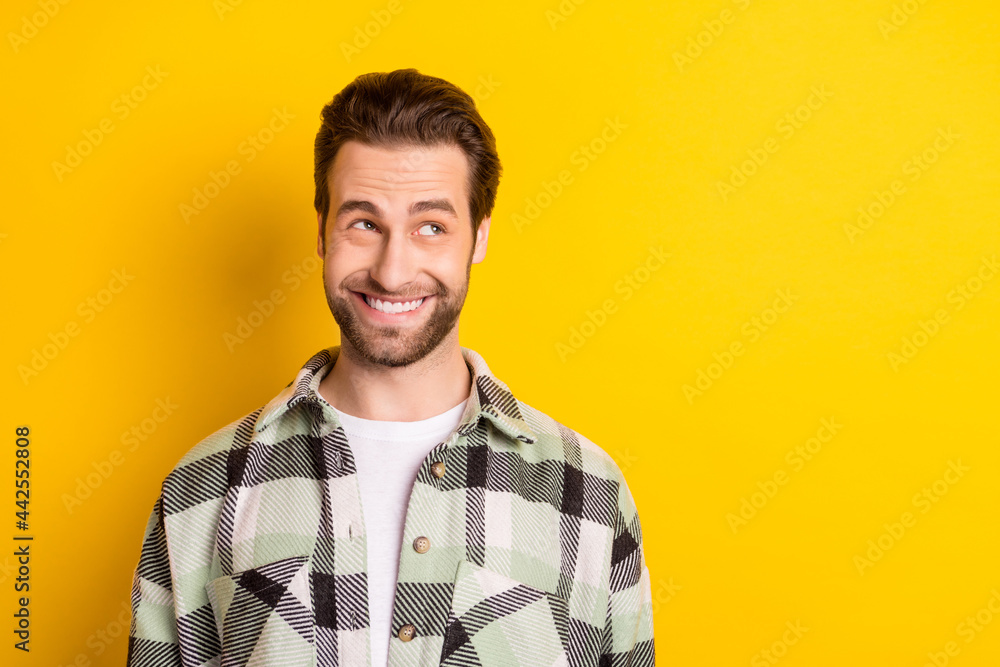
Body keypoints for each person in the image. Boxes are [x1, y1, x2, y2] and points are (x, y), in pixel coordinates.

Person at [126, 68, 654, 667]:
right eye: (365, 224)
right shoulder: (202, 489)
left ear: (478, 238)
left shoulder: (590, 492)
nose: (392, 270)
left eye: (431, 227)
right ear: (323, 233)